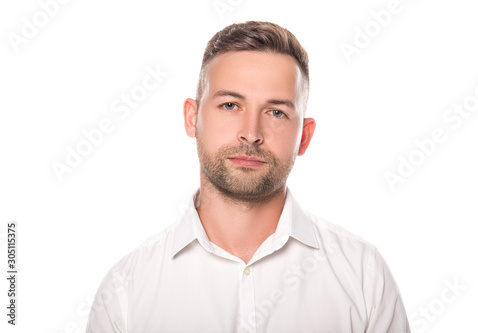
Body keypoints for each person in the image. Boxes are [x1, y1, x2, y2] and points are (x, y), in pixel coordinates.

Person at [86, 21, 410, 332]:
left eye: (276, 112)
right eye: (230, 105)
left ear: (304, 137)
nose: (251, 134)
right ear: (191, 117)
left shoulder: (365, 277)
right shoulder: (125, 292)